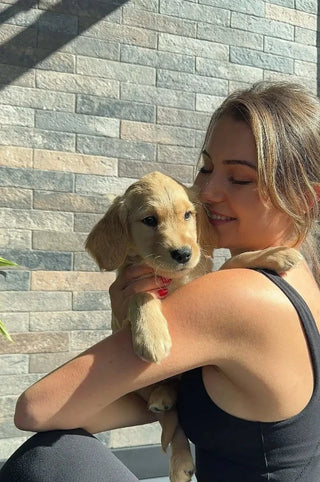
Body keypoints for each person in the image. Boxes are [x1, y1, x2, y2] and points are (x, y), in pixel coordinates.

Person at [1, 81, 320, 482]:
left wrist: (128, 314)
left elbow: (35, 408)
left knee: (50, 458)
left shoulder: (238, 294)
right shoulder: (300, 276)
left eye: (238, 178)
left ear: (306, 197)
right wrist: (155, 391)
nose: (206, 192)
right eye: (205, 167)